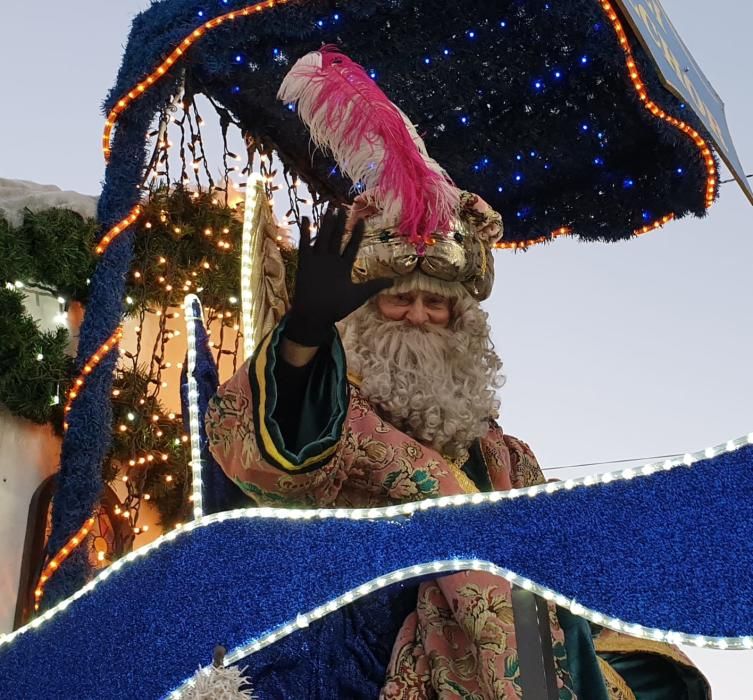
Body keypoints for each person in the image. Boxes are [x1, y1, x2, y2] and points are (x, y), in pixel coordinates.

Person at [205, 47, 709, 699]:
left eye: (436, 302)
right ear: (366, 311)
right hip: (354, 658)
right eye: (399, 297)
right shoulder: (336, 412)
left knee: (662, 678)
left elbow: (561, 575)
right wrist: (304, 333)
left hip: (520, 643)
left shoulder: (507, 460)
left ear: (460, 322)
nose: (417, 313)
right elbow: (278, 451)